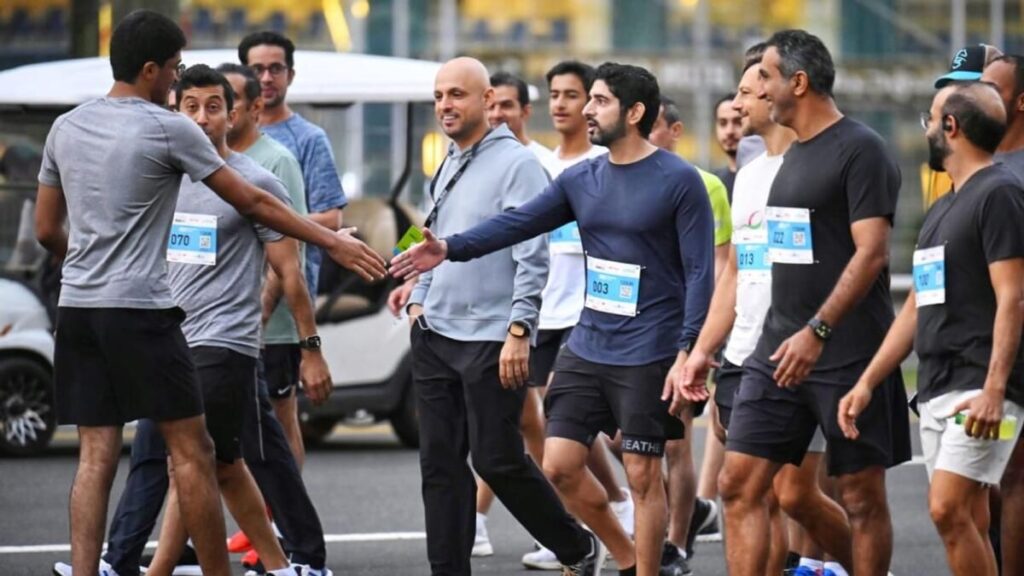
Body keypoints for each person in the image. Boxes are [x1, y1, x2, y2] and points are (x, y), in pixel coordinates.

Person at [34, 11, 383, 576]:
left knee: (95, 456)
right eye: (175, 71)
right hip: (143, 310)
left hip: (77, 308)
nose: (178, 83)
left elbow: (47, 230)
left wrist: (91, 262)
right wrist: (332, 242)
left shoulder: (66, 127)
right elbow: (253, 202)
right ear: (151, 70)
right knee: (194, 453)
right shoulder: (167, 128)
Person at [392, 61, 715, 576]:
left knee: (640, 475)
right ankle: (618, 555)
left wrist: (690, 349)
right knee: (559, 466)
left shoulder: (680, 180)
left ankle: (645, 568)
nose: (587, 110)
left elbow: (701, 272)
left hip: (648, 347)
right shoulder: (580, 179)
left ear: (634, 113)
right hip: (588, 344)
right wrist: (447, 250)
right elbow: (516, 225)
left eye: (599, 101)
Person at [681, 30, 911, 576]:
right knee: (738, 483)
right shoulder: (784, 162)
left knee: (860, 496)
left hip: (846, 351)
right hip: (775, 350)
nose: (755, 91)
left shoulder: (862, 149)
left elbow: (872, 253)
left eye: (763, 77)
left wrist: (818, 330)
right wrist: (706, 349)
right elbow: (750, 268)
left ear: (798, 82)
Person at [398, 56, 603, 576]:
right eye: (439, 95)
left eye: (457, 94)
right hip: (434, 332)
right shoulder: (446, 161)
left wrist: (519, 330)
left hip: (491, 336)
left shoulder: (519, 165)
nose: (445, 105)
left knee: (496, 459)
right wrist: (417, 295)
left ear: (487, 101)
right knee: (439, 466)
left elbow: (533, 256)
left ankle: (576, 545)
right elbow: (433, 236)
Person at [839, 81, 1024, 576]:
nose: (926, 129)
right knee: (969, 517)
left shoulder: (1000, 194)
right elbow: (917, 307)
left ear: (951, 126)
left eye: (931, 118)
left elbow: (1014, 297)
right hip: (938, 386)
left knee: (946, 508)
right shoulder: (942, 207)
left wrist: (995, 390)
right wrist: (867, 381)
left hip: (980, 389)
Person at [144, 63, 313, 576]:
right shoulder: (165, 180)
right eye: (190, 107)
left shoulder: (257, 181)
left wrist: (310, 346)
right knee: (222, 466)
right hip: (171, 342)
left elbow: (289, 269)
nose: (201, 118)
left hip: (225, 342)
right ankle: (282, 567)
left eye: (213, 107)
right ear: (175, 112)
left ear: (232, 114)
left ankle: (159, 570)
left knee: (190, 463)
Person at [218, 62, 333, 575]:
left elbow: (303, 236)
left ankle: (284, 534)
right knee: (212, 446)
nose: (267, 77)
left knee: (274, 433)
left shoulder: (285, 155)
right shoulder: (202, 160)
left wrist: (305, 342)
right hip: (217, 329)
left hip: (274, 321)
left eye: (275, 69)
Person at [238, 30, 348, 470]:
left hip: (287, 298)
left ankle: (287, 508)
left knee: (281, 415)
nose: (267, 78)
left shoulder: (306, 140)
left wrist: (272, 223)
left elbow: (332, 218)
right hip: (229, 296)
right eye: (257, 69)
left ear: (290, 74)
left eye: (275, 68)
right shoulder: (218, 137)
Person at [643, 93, 730, 573]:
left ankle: (677, 542)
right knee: (622, 438)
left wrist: (698, 340)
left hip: (682, 330)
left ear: (675, 131)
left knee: (675, 442)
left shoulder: (706, 185)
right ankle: (683, 513)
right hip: (635, 329)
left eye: (653, 125)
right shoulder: (623, 177)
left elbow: (716, 268)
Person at [979, 53, 1024, 576]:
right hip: (973, 342)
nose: (982, 93)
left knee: (1013, 476)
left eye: (994, 86)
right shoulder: (976, 164)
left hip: (1011, 343)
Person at [487, 71, 560, 176]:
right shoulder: (474, 161)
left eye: (506, 105)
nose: (496, 114)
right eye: (490, 106)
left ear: (525, 112)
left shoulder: (547, 164)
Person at [711, 94, 743, 199]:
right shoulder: (712, 183)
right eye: (723, 123)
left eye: (738, 122)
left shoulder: (766, 178)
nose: (729, 131)